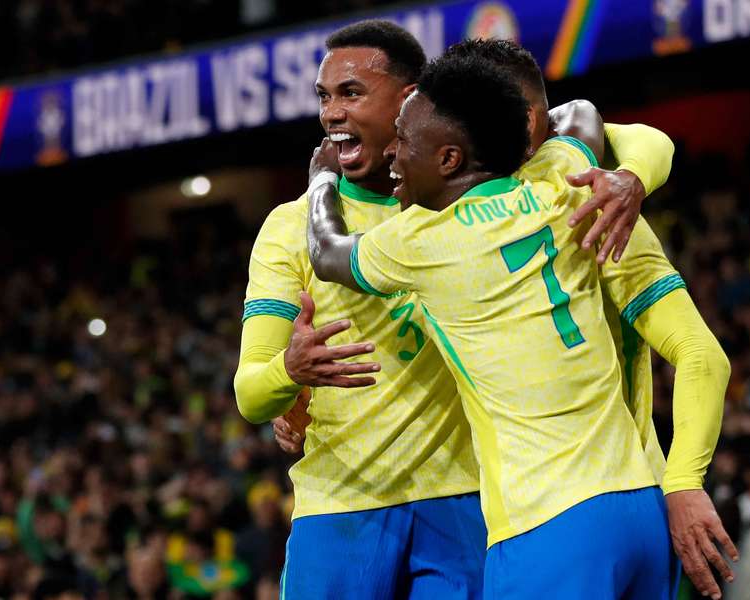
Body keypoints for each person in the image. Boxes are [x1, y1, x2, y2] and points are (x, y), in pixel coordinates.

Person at [235, 19, 679, 599]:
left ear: (412, 98)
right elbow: (251, 393)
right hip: (341, 503)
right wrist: (288, 374)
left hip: (466, 500)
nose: (330, 114)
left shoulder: (457, 194)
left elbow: (636, 134)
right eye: (324, 97)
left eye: (351, 93)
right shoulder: (286, 228)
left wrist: (630, 178)